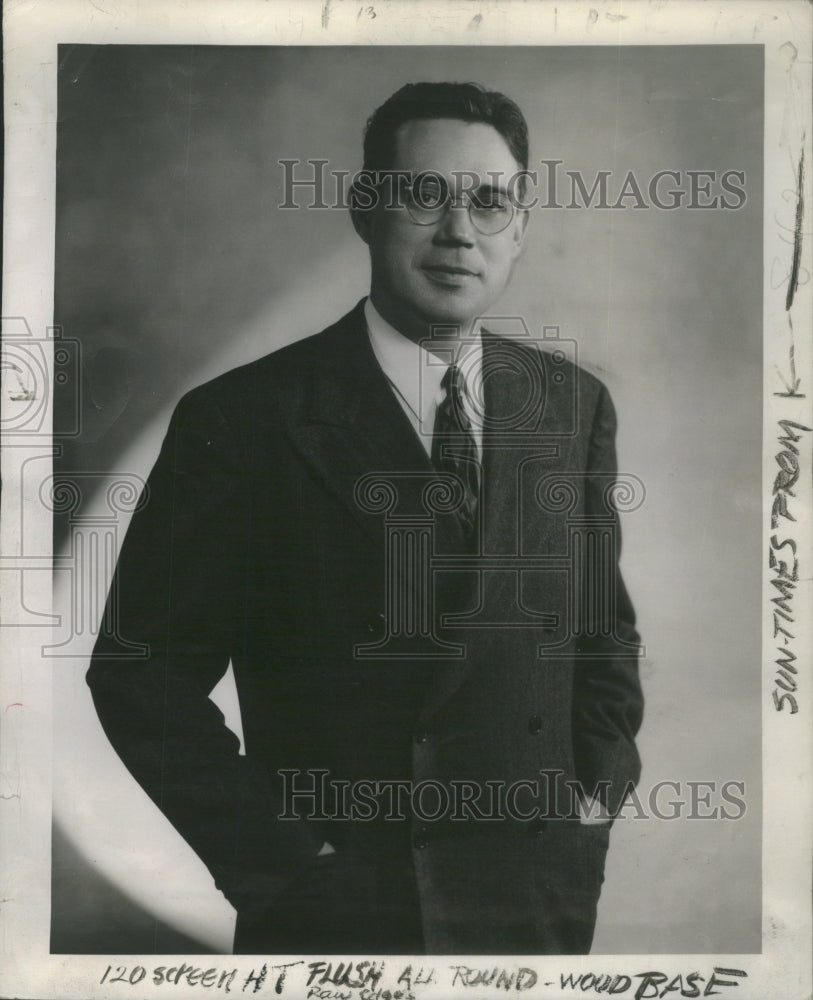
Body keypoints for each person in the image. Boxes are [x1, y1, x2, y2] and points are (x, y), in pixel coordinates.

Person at [87, 81, 644, 956]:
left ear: (520, 230)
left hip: (532, 899)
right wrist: (281, 856)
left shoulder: (568, 404)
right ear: (364, 209)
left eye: (490, 202)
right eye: (425, 195)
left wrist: (594, 791)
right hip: (340, 906)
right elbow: (138, 673)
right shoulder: (243, 418)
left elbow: (601, 631)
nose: (460, 232)